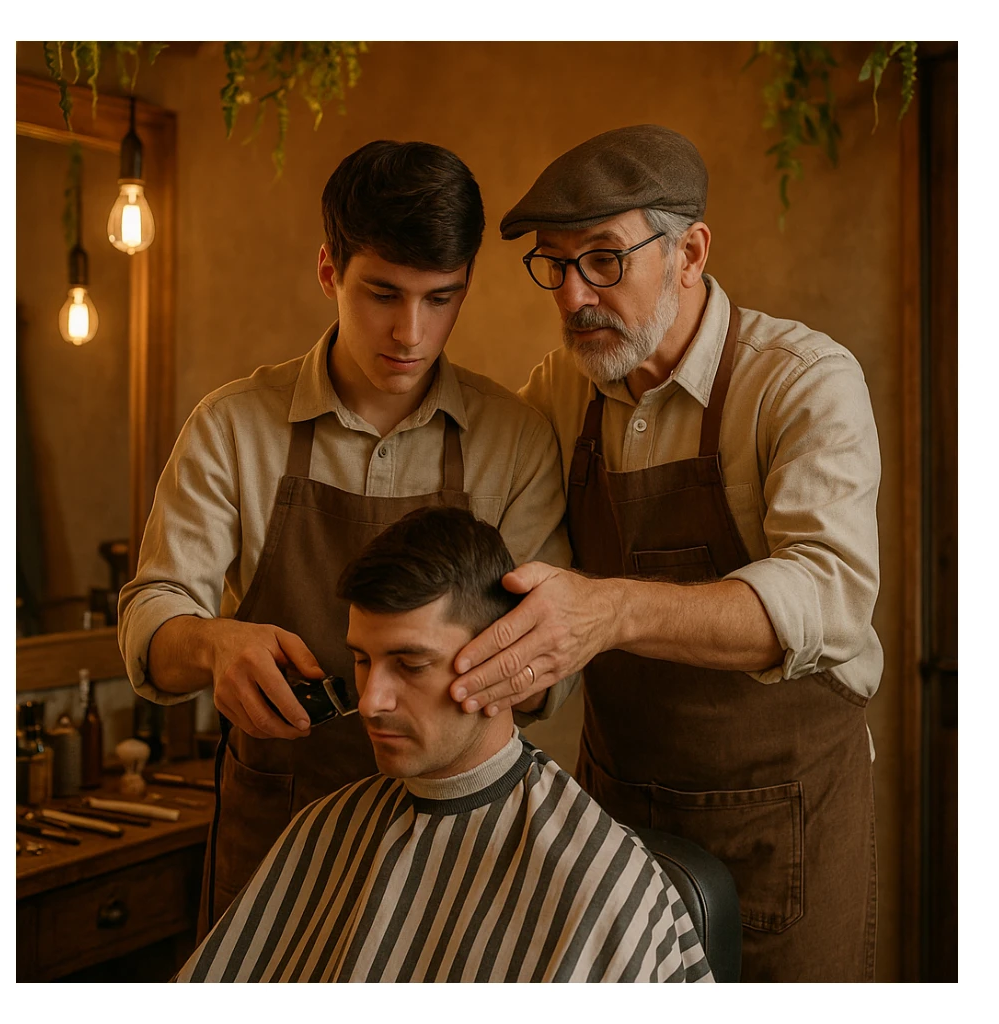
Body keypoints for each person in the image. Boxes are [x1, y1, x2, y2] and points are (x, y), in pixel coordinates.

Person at [447, 125, 882, 983]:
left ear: (690, 251)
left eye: (604, 260)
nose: (574, 297)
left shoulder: (802, 381)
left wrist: (613, 609)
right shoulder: (555, 394)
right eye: (554, 265)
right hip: (612, 817)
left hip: (783, 821)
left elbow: (829, 596)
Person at [117, 140, 574, 929]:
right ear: (329, 271)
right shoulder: (232, 429)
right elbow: (150, 616)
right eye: (382, 294)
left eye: (441, 299)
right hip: (278, 833)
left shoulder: (518, 439)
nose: (410, 332)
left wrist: (498, 668)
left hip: (453, 845)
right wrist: (213, 643)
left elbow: (544, 673)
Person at [175, 507, 713, 983]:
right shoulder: (325, 829)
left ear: (500, 662)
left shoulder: (602, 886)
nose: (370, 701)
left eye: (410, 665)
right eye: (362, 660)